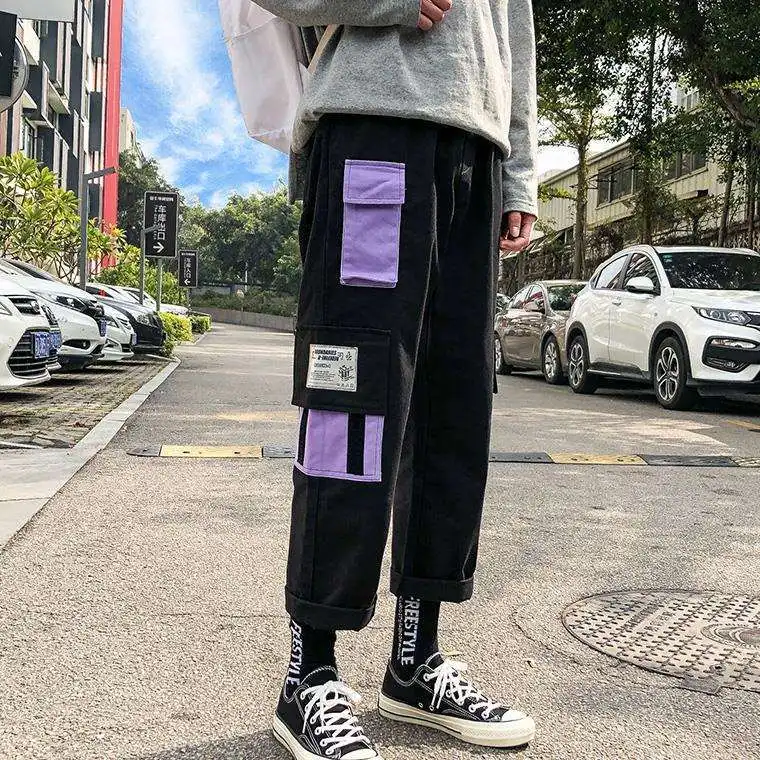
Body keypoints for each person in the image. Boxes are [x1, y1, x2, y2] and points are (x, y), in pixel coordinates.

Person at [254, 0, 539, 756]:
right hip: (372, 134)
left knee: (453, 412)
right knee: (351, 409)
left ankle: (414, 665)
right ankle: (308, 677)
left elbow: (515, 36)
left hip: (477, 157)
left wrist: (519, 176)